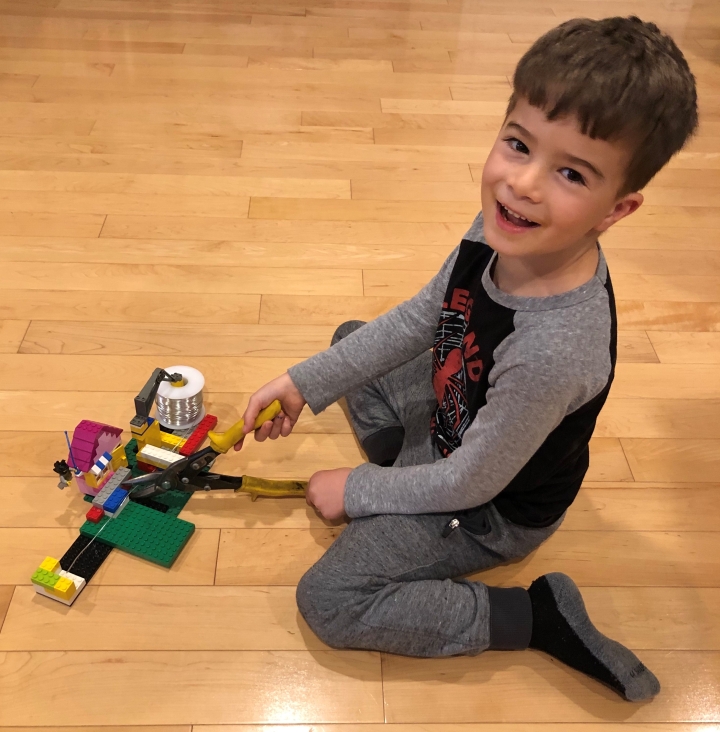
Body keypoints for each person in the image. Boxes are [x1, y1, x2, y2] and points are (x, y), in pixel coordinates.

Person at [234, 16, 697, 701]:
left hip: (490, 507)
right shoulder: (500, 225)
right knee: (349, 340)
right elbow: (427, 315)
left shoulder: (556, 348)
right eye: (517, 145)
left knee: (331, 598)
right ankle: (404, 465)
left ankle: (530, 616)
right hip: (458, 426)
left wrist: (357, 491)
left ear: (616, 210)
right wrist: (304, 383)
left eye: (571, 173)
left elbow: (472, 482)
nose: (523, 184)